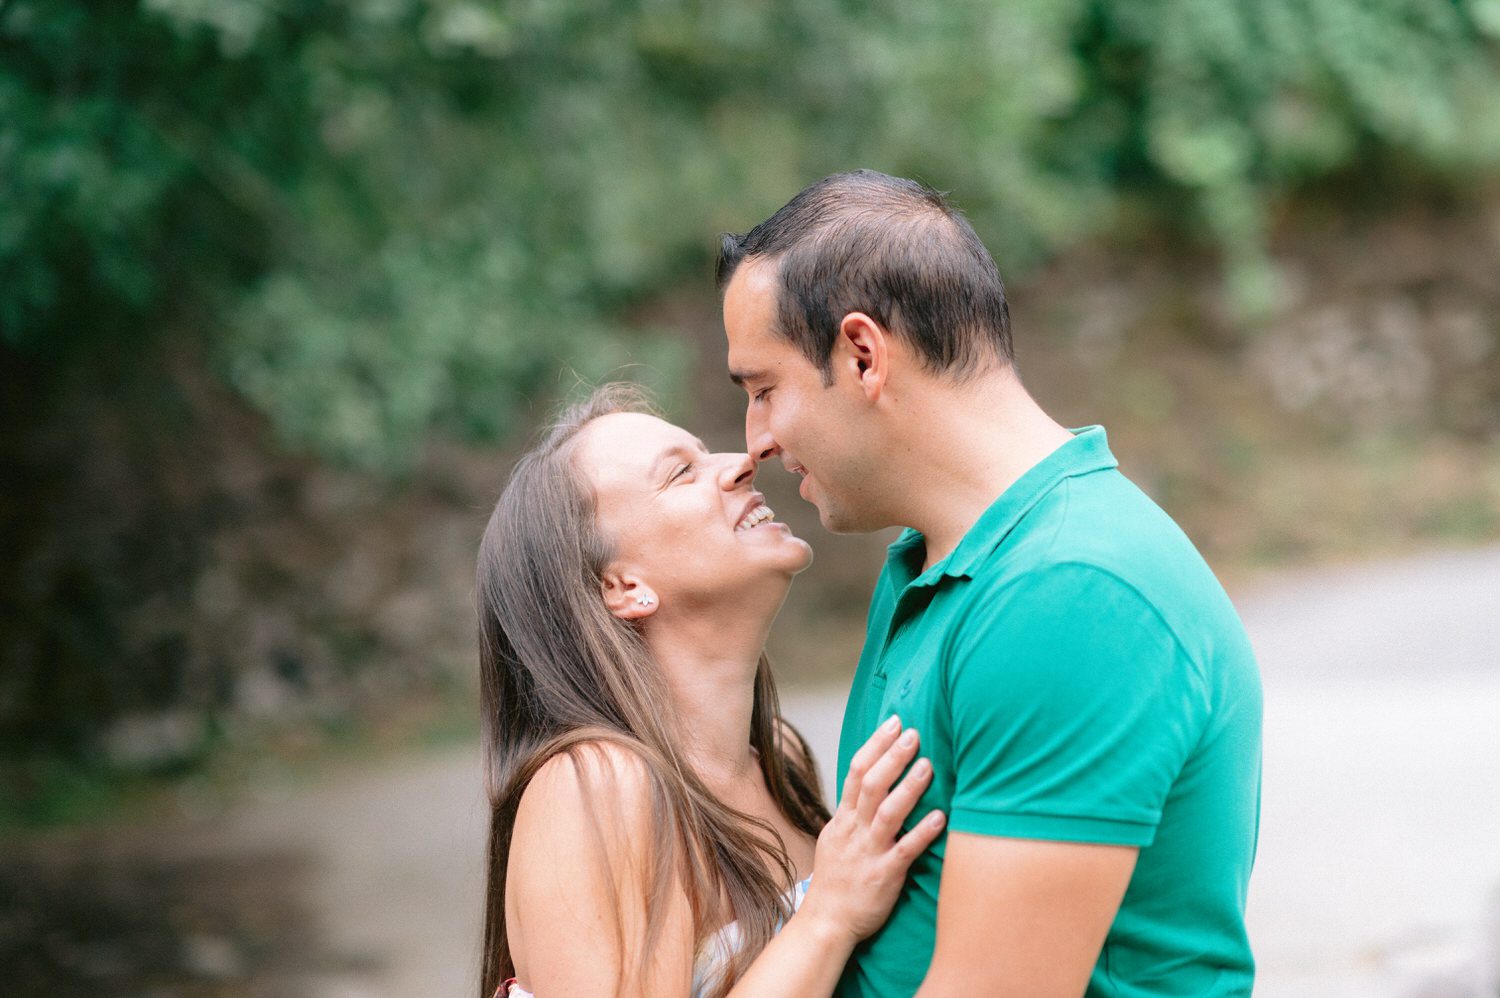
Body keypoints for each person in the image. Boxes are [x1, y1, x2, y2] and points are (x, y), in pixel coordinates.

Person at [717, 170, 1263, 997]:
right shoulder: (933, 567)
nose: (754, 440)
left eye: (765, 391)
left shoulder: (1073, 594)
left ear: (863, 355)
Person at [475, 383, 948, 998]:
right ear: (622, 585)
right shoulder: (596, 787)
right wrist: (828, 915)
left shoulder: (778, 756)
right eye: (681, 473)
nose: (741, 462)